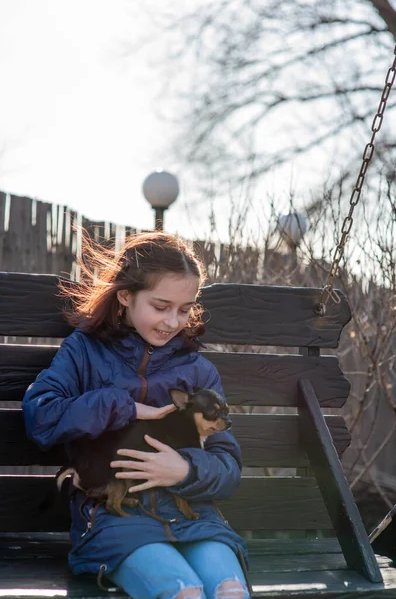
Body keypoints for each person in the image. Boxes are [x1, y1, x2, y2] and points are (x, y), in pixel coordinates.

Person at [22, 231, 250, 599]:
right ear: (125, 296)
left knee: (230, 591)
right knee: (184, 592)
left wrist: (186, 469)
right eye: (160, 307)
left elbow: (227, 465)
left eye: (184, 309)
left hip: (194, 519)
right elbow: (41, 417)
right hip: (116, 519)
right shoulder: (84, 351)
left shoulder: (197, 371)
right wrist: (121, 406)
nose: (173, 321)